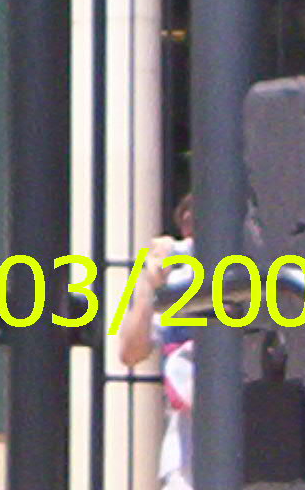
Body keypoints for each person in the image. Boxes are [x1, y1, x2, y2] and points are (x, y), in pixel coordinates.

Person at [120, 191, 196, 490]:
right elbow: (129, 351)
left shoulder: (256, 265)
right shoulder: (178, 274)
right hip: (188, 454)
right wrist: (147, 284)